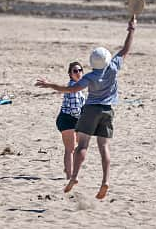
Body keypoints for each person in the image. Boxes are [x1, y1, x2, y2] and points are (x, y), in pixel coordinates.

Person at [35, 17, 136, 200]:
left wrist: (50, 85)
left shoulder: (89, 77)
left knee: (82, 145)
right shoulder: (113, 67)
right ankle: (105, 180)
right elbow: (126, 49)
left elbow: (70, 89)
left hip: (90, 110)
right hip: (107, 110)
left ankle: (74, 177)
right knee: (104, 147)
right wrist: (132, 29)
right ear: (106, 59)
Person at [55, 61, 86, 180]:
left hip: (76, 119)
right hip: (67, 119)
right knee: (70, 149)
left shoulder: (80, 86)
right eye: (74, 71)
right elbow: (74, 111)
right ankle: (69, 176)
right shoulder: (73, 88)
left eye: (79, 70)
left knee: (79, 145)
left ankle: (68, 167)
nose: (77, 73)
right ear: (70, 74)